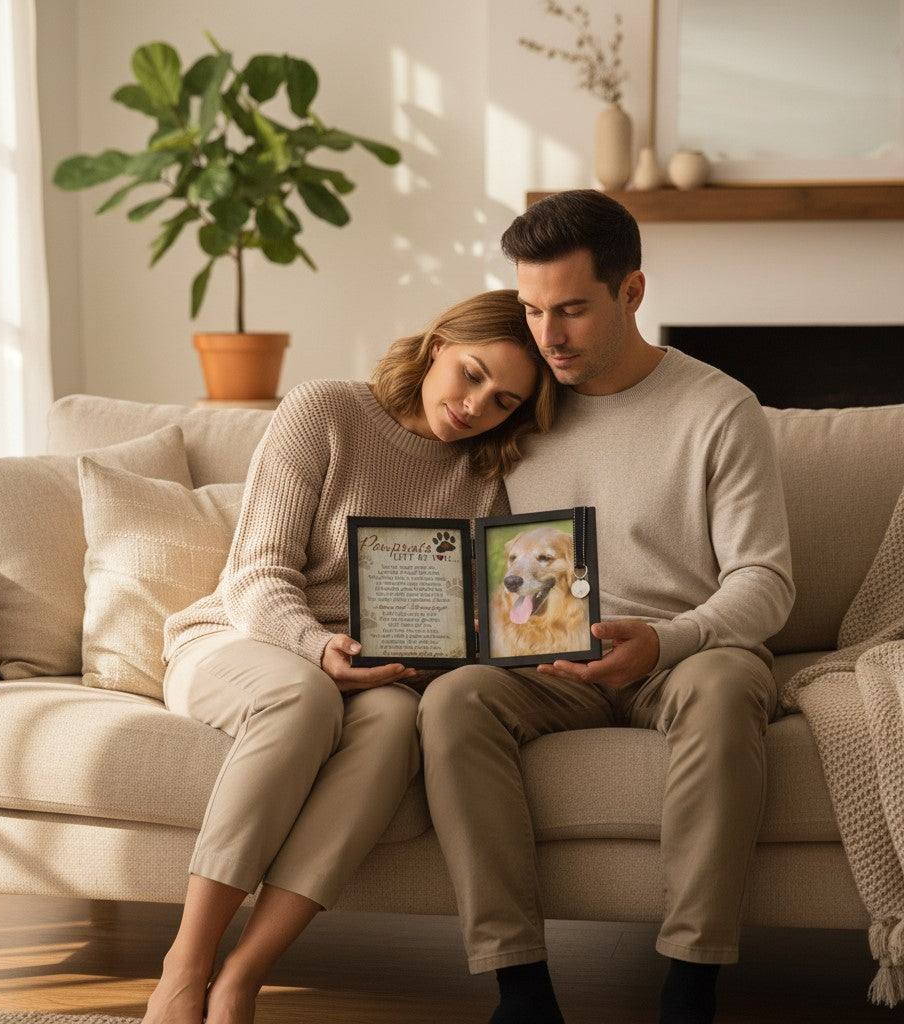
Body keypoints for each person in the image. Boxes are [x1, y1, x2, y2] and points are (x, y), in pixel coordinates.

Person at [417, 190, 795, 1024]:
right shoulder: (526, 404)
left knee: (730, 687)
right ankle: (520, 988)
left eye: (573, 310)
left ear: (632, 294)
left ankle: (690, 982)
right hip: (552, 660)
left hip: (687, 653)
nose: (548, 336)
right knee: (453, 701)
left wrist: (664, 643)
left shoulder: (719, 408)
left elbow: (766, 583)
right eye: (531, 309)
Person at [141, 289, 557, 1024]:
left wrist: (450, 649)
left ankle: (243, 976)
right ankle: (186, 965)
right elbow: (257, 573)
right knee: (300, 699)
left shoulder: (486, 475)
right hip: (248, 639)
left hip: (375, 675)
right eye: (471, 373)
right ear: (436, 347)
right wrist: (315, 647)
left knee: (399, 725)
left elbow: (475, 613)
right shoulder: (324, 411)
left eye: (503, 401)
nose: (476, 406)